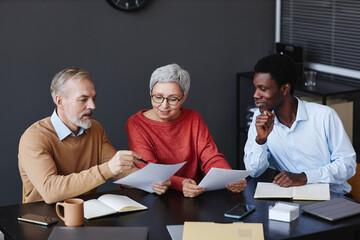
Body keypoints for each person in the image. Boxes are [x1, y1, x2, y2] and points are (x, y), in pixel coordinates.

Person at [18, 68, 142, 204]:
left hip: (87, 214)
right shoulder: (35, 137)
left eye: (93, 99)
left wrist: (151, 182)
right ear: (60, 101)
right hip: (45, 219)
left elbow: (119, 170)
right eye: (83, 100)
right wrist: (108, 169)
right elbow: (50, 191)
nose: (93, 106)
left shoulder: (95, 129)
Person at [126, 63, 247, 198]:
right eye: (158, 97)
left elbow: (211, 156)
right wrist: (181, 183)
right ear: (150, 93)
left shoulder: (193, 118)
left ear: (184, 97)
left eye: (172, 99)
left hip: (193, 193)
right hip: (156, 195)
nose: (164, 106)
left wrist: (229, 178)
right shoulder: (136, 123)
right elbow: (149, 168)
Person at [244, 54, 356, 194]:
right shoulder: (259, 118)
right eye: (255, 88)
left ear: (284, 89)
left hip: (333, 197)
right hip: (291, 197)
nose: (255, 95)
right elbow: (254, 172)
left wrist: (305, 177)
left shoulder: (324, 116)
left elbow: (347, 165)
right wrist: (260, 140)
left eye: (263, 89)